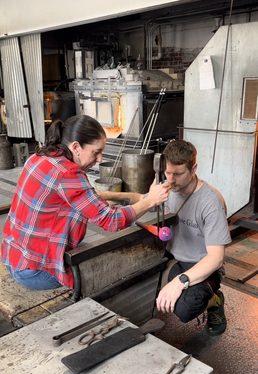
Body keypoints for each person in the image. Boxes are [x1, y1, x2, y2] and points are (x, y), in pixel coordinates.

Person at [1, 115, 170, 291]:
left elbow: (87, 196)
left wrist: (134, 197)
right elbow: (111, 221)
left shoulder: (41, 156)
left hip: (14, 257)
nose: (99, 159)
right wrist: (151, 201)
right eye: (96, 152)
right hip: (35, 272)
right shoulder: (68, 173)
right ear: (76, 147)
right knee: (110, 269)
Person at [156, 139, 232, 336]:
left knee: (184, 308)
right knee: (144, 289)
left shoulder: (210, 202)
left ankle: (215, 301)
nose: (171, 179)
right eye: (168, 172)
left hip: (201, 264)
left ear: (193, 168)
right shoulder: (166, 187)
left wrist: (179, 282)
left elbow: (216, 258)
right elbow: (145, 201)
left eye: (178, 174)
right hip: (173, 257)